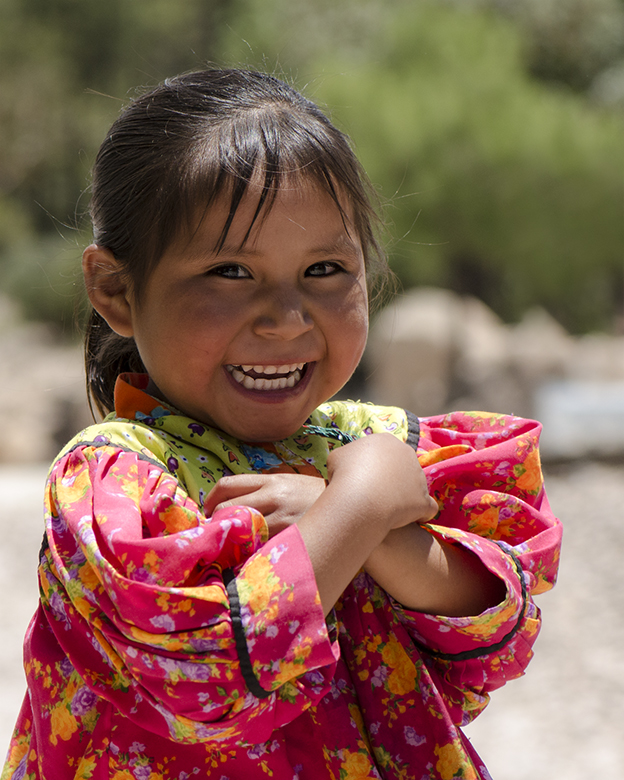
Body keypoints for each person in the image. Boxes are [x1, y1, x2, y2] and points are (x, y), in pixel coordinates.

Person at [2, 68, 561, 780]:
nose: (286, 319)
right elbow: (203, 678)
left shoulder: (371, 443)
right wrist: (355, 513)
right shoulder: (116, 482)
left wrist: (370, 526)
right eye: (231, 273)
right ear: (117, 291)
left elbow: (494, 632)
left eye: (325, 269)